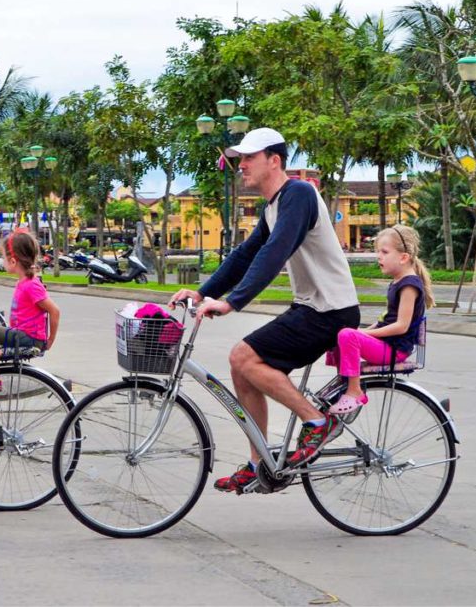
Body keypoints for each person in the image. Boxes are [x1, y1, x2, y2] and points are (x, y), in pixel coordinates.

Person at [168, 127, 360, 494]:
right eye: (239, 159)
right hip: (312, 308)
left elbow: (276, 252)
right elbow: (246, 254)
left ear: (275, 160)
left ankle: (317, 422)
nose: (241, 165)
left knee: (244, 355)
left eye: (249, 158)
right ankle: (261, 465)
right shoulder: (274, 205)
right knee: (243, 369)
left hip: (330, 311)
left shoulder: (299, 194)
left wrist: (232, 301)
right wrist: (202, 291)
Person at [330, 225, 434, 414]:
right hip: (386, 346)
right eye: (378, 251)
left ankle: (354, 391)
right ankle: (344, 382)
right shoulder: (397, 282)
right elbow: (384, 320)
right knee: (339, 333)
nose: (379, 256)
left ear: (404, 257)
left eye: (384, 252)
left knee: (347, 335)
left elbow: (401, 326)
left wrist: (363, 333)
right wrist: (362, 331)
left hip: (395, 351)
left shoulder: (409, 285)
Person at [0, 231, 60, 393]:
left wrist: (49, 340)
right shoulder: (24, 283)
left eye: (3, 257)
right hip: (22, 333)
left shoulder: (31, 285)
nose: (2, 261)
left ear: (13, 261)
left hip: (29, 338)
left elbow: (54, 311)